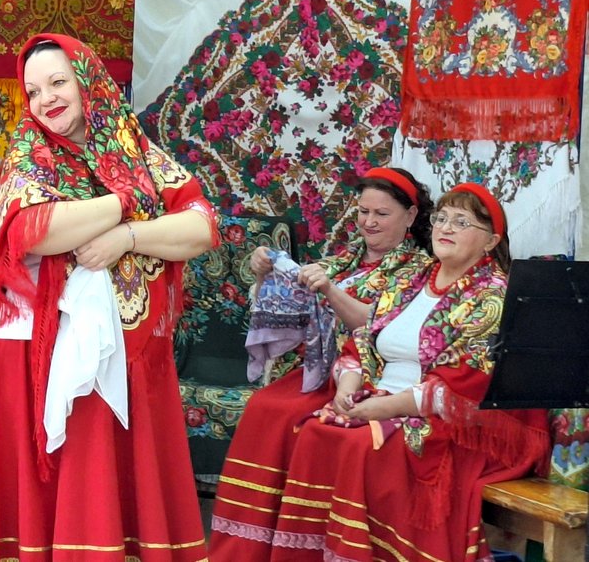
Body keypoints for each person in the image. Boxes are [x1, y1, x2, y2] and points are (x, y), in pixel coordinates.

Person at [0, 33, 220, 561]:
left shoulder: (135, 149)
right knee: (57, 485)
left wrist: (128, 237)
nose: (46, 100)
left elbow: (200, 227)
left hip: (127, 346)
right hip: (37, 350)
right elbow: (35, 230)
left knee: (112, 482)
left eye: (58, 82)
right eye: (34, 91)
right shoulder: (29, 153)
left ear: (89, 83)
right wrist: (125, 200)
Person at [209, 182, 549, 561]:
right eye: (442, 219)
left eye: (461, 222)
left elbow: (463, 384)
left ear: (490, 242)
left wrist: (382, 408)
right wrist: (348, 386)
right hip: (382, 399)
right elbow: (362, 340)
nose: (446, 228)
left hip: (450, 423)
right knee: (316, 434)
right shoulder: (412, 281)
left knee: (359, 446)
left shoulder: (492, 297)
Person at [246, 167, 434, 386]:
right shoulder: (340, 262)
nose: (369, 222)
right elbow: (280, 311)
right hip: (304, 368)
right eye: (364, 211)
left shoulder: (420, 270)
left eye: (381, 214)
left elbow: (377, 323)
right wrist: (265, 274)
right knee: (262, 404)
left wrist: (329, 290)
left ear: (410, 216)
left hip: (356, 377)